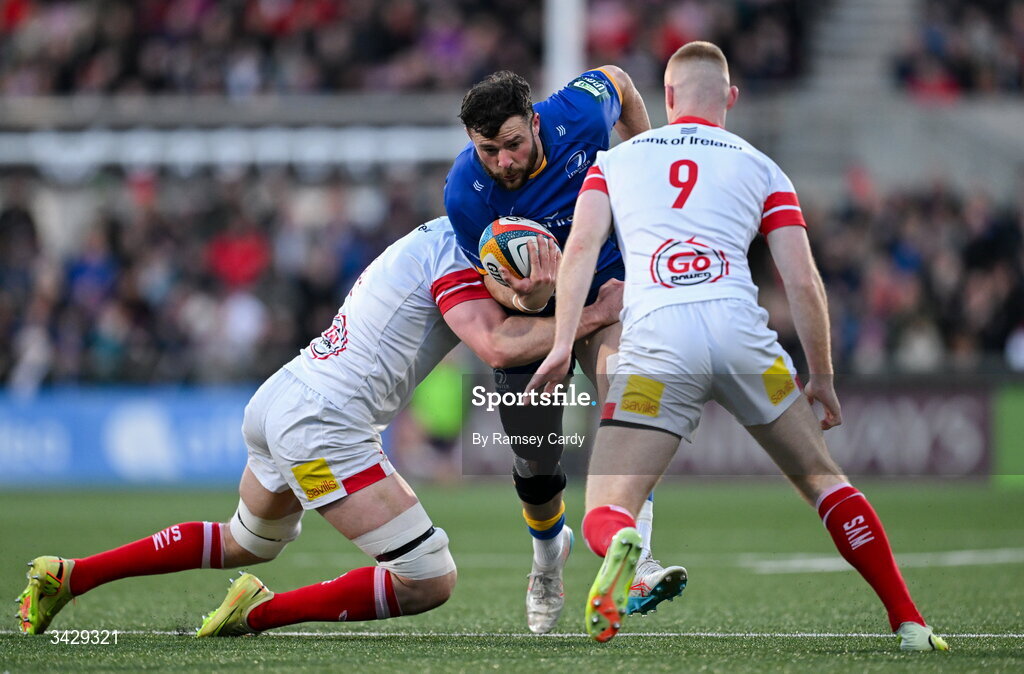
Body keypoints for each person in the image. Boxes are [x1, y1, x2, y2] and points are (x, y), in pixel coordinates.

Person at [528, 41, 949, 651]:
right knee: (825, 482)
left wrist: (564, 341)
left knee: (604, 506)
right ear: (730, 98)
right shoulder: (762, 167)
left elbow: (580, 254)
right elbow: (802, 280)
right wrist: (822, 376)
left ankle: (625, 542)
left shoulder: (614, 163)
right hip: (741, 337)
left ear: (668, 98)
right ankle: (909, 621)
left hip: (656, 344)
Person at [15, 217, 623, 637]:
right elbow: (495, 343)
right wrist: (591, 314)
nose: (529, 290)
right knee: (429, 576)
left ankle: (71, 576)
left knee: (246, 541)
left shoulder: (433, 239)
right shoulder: (458, 260)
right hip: (321, 425)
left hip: (285, 394)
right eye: (519, 279)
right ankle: (255, 615)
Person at [444, 67, 686, 633]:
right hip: (536, 314)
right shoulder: (464, 193)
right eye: (488, 151)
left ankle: (637, 561)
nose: (503, 161)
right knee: (535, 453)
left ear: (534, 123)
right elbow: (496, 288)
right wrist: (529, 297)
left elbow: (620, 82)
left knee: (627, 384)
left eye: (513, 144)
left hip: (606, 285)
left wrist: (642, 158)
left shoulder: (576, 113)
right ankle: (548, 560)